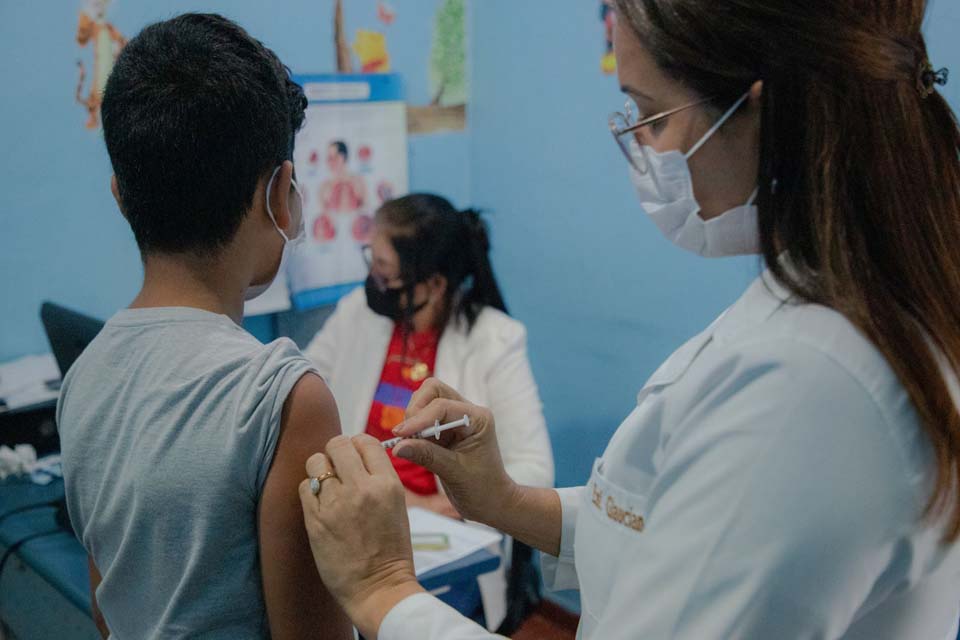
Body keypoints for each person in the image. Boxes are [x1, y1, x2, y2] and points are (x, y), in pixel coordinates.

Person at [296, 1, 960, 638]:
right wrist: (501, 498)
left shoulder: (816, 387)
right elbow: (667, 527)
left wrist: (383, 589)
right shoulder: (826, 302)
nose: (643, 147)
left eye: (651, 114)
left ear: (765, 107)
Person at [56, 14, 352, 639]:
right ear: (282, 194)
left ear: (120, 194)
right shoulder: (284, 398)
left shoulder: (83, 375)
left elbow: (108, 609)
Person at [304, 193, 554, 629]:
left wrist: (441, 504)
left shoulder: (495, 341)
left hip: (442, 542)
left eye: (383, 270)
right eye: (372, 262)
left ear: (433, 284)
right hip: (357, 518)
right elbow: (304, 390)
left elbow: (534, 469)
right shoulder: (356, 316)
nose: (372, 279)